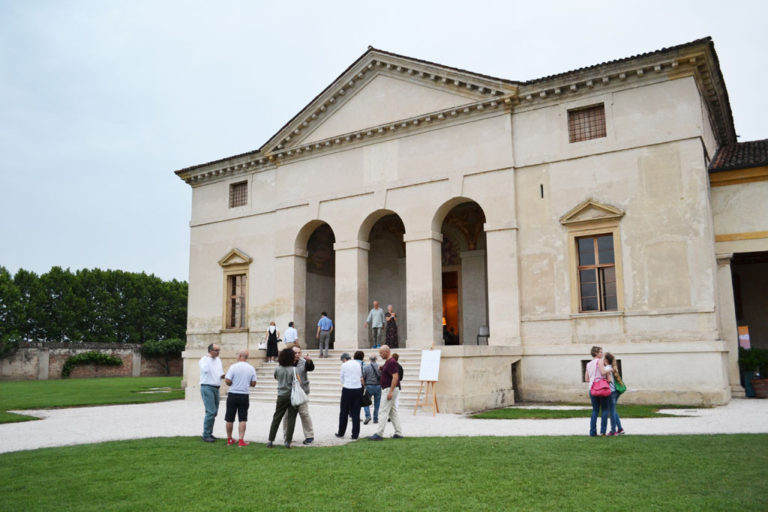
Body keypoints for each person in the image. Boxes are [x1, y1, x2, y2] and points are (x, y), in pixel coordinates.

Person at [368, 345, 403, 440]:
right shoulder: (389, 362)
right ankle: (399, 433)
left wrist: (390, 391)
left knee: (383, 411)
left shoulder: (391, 362)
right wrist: (382, 368)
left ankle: (379, 434)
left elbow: (395, 377)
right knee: (392, 412)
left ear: (387, 352)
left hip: (389, 389)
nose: (380, 355)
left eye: (381, 353)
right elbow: (389, 372)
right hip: (388, 389)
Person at [282, 345, 315, 445]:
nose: (297, 355)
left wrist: (310, 361)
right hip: (288, 393)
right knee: (287, 416)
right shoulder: (285, 363)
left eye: (299, 352)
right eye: (295, 353)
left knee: (304, 413)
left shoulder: (303, 362)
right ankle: (287, 437)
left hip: (301, 392)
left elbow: (310, 368)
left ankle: (309, 436)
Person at [267, 347, 300, 448]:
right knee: (291, 418)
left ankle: (271, 440)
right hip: (292, 395)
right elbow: (299, 382)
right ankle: (287, 441)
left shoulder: (277, 368)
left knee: (277, 417)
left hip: (281, 395)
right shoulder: (294, 369)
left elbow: (276, 377)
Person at [223, 350, 257, 447]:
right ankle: (241, 440)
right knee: (243, 418)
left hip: (233, 393)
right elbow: (254, 383)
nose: (237, 356)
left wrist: (232, 383)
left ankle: (229, 439)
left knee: (229, 418)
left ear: (241, 356)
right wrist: (246, 383)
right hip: (244, 394)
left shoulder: (233, 367)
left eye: (237, 355)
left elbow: (227, 381)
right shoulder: (251, 368)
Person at [199, 343, 224, 442]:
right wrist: (208, 358)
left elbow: (220, 373)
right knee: (211, 411)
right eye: (216, 350)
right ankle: (205, 434)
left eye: (219, 350)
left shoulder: (218, 360)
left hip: (216, 387)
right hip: (207, 386)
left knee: (214, 412)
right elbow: (205, 369)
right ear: (210, 351)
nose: (218, 352)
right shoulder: (204, 360)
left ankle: (209, 433)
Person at [335, 352, 364, 440]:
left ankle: (341, 432)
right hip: (358, 389)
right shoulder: (358, 364)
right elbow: (360, 376)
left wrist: (345, 384)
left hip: (348, 388)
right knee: (356, 412)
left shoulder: (344, 365)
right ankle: (355, 434)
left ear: (344, 359)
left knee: (344, 411)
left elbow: (342, 377)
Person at [585, 345, 611, 437]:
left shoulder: (588, 364)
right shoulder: (599, 361)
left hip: (592, 388)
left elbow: (587, 378)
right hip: (602, 387)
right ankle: (603, 432)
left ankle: (592, 432)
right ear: (596, 353)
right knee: (604, 409)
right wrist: (609, 369)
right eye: (600, 352)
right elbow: (603, 372)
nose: (602, 354)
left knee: (595, 410)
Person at [604, 352, 626, 436]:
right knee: (613, 410)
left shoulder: (607, 368)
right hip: (616, 392)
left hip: (611, 392)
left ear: (606, 360)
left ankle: (613, 431)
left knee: (611, 411)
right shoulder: (612, 368)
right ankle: (620, 429)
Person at [362, 354, 381, 424]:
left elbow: (363, 377)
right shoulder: (380, 366)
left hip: (369, 386)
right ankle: (375, 418)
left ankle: (368, 416)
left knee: (365, 402)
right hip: (378, 386)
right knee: (377, 403)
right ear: (376, 359)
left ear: (369, 359)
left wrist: (364, 386)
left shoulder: (366, 367)